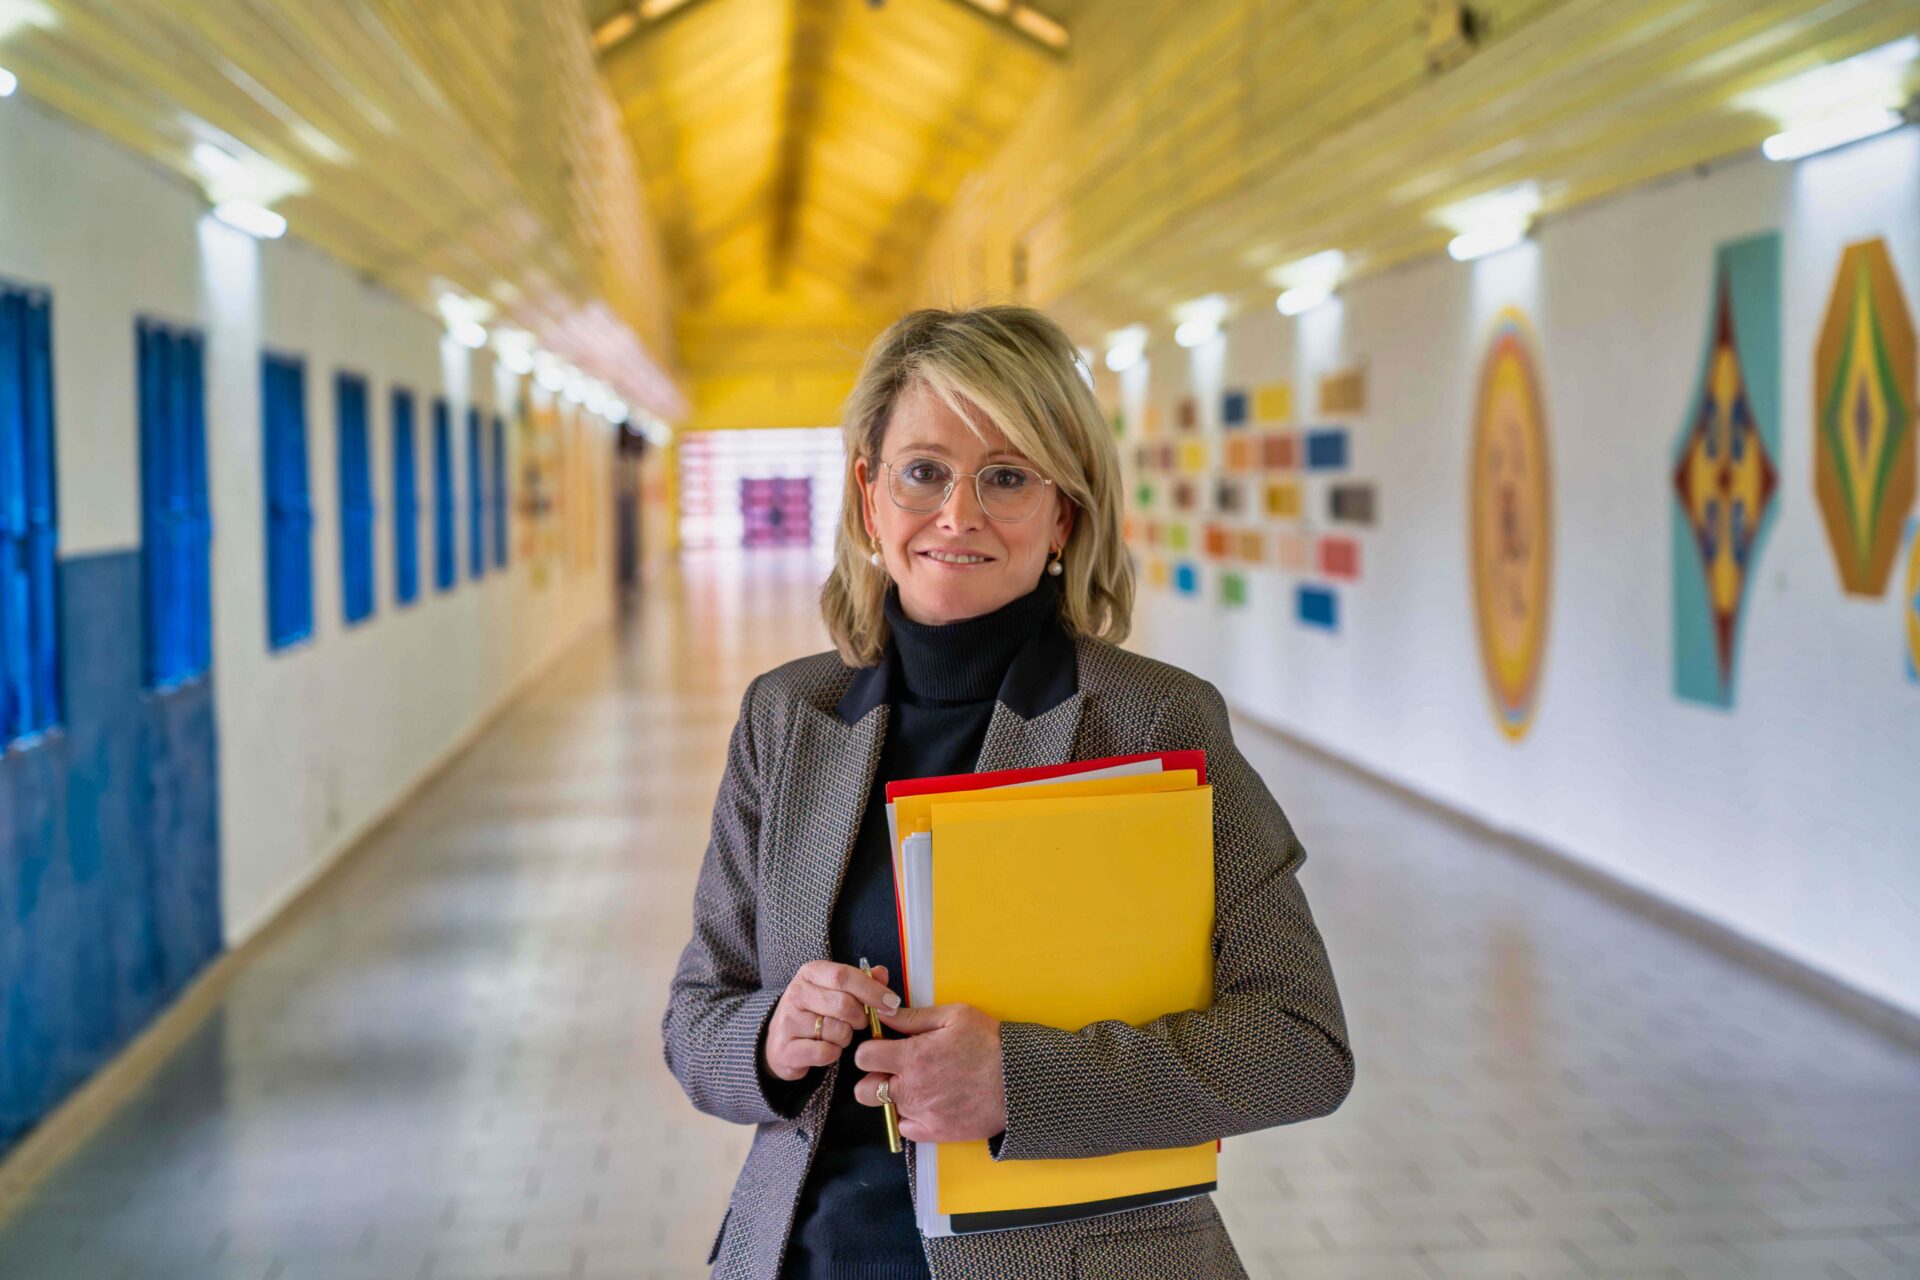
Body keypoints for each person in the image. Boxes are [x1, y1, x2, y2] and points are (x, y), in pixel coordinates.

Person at [662, 305, 1353, 1279]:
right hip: (815, 1252)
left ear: (1063, 511)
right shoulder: (788, 718)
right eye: (923, 471)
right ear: (869, 494)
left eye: (1007, 476)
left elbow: (1300, 1042)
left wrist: (1021, 1080)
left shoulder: (1153, 720)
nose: (958, 514)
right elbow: (698, 1013)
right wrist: (772, 1035)